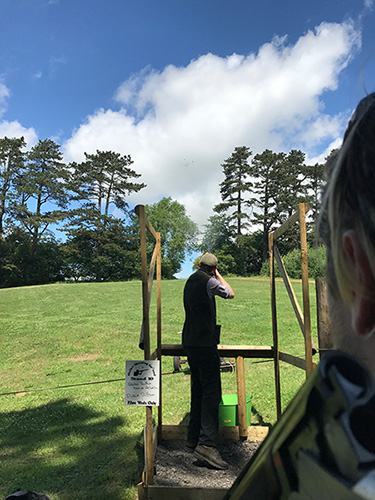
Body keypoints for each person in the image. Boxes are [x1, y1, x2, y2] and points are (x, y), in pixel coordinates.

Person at [182, 252, 234, 470]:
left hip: (190, 343)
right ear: (213, 268)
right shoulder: (210, 281)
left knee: (198, 390)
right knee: (212, 394)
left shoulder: (190, 280)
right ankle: (207, 445)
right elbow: (230, 294)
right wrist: (219, 275)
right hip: (204, 344)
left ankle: (192, 439)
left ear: (199, 264)